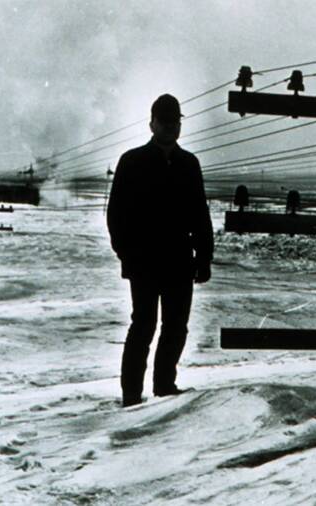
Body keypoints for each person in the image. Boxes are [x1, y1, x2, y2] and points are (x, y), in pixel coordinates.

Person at [106, 94, 213, 407]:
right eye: (165, 122)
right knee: (144, 325)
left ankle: (165, 386)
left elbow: (199, 214)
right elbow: (116, 216)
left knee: (176, 327)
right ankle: (131, 395)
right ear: (151, 123)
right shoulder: (132, 161)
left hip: (180, 261)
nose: (170, 127)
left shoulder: (189, 164)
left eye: (175, 122)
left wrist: (204, 258)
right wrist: (127, 254)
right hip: (145, 262)